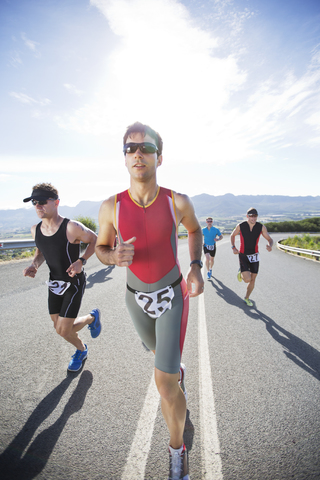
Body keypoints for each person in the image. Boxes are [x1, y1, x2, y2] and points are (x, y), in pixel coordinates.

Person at [95, 122, 204, 480]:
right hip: (134, 300)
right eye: (130, 148)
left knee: (164, 383)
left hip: (173, 295)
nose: (138, 153)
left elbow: (195, 230)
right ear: (124, 157)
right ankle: (176, 371)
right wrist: (112, 257)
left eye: (146, 147)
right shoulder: (111, 206)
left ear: (160, 155)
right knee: (159, 358)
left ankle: (177, 454)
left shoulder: (177, 201)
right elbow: (100, 248)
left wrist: (195, 267)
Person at [22, 183, 101, 372]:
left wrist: (81, 260)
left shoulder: (71, 227)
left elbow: (95, 239)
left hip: (74, 281)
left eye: (42, 201)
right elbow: (41, 250)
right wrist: (34, 264)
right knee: (58, 326)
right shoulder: (36, 229)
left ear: (56, 202)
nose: (38, 206)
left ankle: (81, 350)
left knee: (64, 330)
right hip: (54, 282)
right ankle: (92, 317)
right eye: (34, 202)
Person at [230, 207, 273, 306]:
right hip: (243, 255)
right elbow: (232, 235)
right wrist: (233, 247)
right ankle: (241, 272)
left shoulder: (261, 227)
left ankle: (247, 298)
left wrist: (270, 245)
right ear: (247, 216)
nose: (253, 218)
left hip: (255, 256)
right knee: (247, 279)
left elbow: (269, 239)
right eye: (251, 216)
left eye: (255, 216)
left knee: (253, 279)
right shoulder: (241, 226)